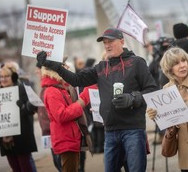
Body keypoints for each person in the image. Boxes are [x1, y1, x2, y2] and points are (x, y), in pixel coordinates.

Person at [37, 28, 158, 172]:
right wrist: (54, 66)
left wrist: (132, 98)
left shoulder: (137, 62)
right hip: (111, 131)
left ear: (122, 41)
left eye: (110, 41)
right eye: (105, 42)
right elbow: (77, 80)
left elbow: (152, 90)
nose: (107, 45)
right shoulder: (101, 67)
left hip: (132, 130)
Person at [147, 47, 188, 172]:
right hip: (184, 154)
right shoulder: (166, 89)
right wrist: (156, 115)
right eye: (176, 63)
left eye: (184, 61)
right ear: (169, 68)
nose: (182, 66)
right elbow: (169, 121)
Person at [40, 62, 90, 172]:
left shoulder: (59, 88)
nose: (67, 68)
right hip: (65, 139)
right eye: (63, 66)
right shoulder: (52, 91)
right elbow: (61, 115)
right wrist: (80, 103)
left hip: (69, 138)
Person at [0, 61, 38, 172]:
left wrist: (24, 106)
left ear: (13, 77)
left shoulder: (22, 89)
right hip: (6, 140)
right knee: (15, 168)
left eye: (6, 76)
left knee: (26, 167)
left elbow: (34, 107)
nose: (3, 79)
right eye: (1, 77)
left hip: (21, 137)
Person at [35, 62, 62, 172]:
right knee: (58, 164)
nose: (37, 73)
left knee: (61, 164)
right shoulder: (44, 87)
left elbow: (59, 114)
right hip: (49, 133)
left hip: (55, 133)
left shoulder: (50, 88)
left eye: (38, 71)